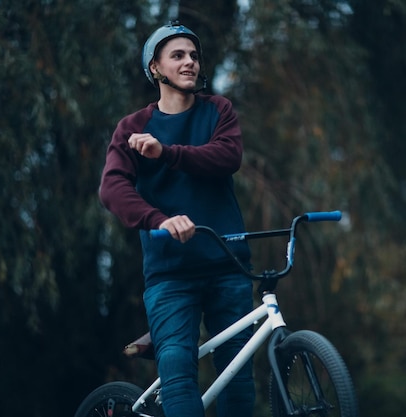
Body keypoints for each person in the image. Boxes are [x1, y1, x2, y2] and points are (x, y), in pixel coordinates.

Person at [98, 22, 255, 417]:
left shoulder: (218, 110)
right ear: (155, 68)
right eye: (178, 55)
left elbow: (226, 157)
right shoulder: (132, 128)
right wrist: (159, 220)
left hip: (227, 265)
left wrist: (165, 153)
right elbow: (113, 189)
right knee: (178, 371)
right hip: (171, 274)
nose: (189, 62)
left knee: (238, 379)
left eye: (194, 55)